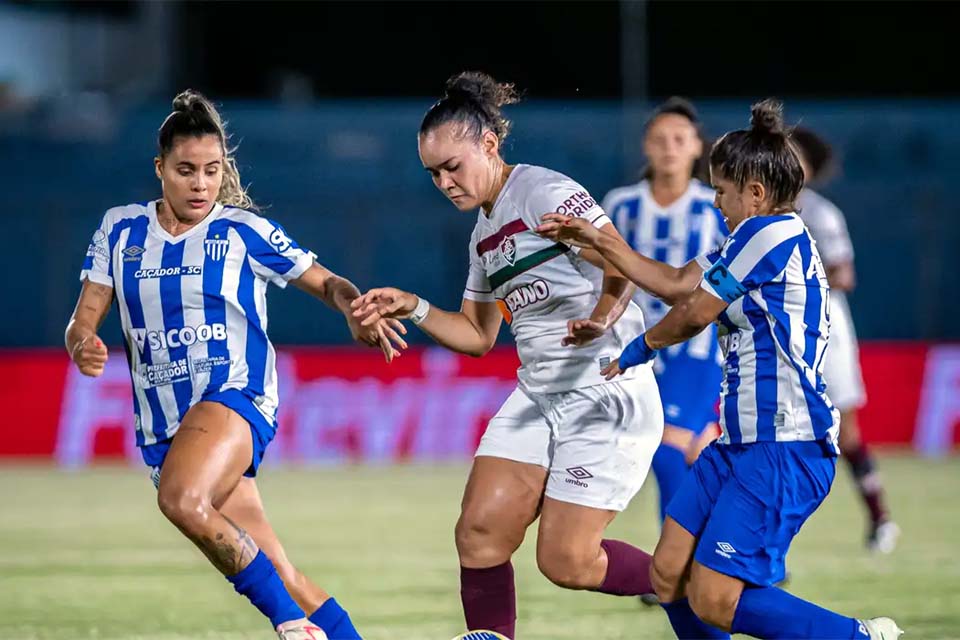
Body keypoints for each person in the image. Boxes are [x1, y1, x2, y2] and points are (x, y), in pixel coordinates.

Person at [537, 99, 901, 639]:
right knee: (667, 576)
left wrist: (637, 349)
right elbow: (677, 279)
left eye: (722, 191)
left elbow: (690, 315)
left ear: (754, 193)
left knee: (713, 598)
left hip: (786, 446)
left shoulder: (772, 234)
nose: (715, 201)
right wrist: (598, 240)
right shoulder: (748, 239)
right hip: (738, 445)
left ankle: (857, 636)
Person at [65, 90, 406, 639]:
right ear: (160, 169)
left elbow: (325, 281)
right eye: (185, 170)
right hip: (165, 426)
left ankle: (292, 628)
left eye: (211, 170)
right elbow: (82, 321)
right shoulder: (121, 230)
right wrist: (83, 344)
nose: (201, 184)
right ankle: (318, 622)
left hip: (235, 394)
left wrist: (353, 307)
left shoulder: (241, 230)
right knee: (282, 571)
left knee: (180, 499)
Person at [351, 72, 663, 638]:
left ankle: (691, 580)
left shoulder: (542, 192)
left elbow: (619, 260)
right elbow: (477, 334)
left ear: (489, 145)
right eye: (433, 174)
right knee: (479, 532)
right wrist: (413, 306)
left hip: (604, 388)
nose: (445, 182)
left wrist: (603, 319)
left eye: (453, 166)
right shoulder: (483, 233)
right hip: (539, 395)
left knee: (567, 561)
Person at [602, 97, 727, 526]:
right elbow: (606, 273)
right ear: (645, 147)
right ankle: (735, 555)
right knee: (697, 453)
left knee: (666, 448)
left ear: (697, 147)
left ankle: (672, 571)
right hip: (638, 348)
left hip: (697, 349)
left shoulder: (715, 207)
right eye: (659, 139)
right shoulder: (619, 205)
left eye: (679, 139)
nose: (669, 147)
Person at [792, 127, 899, 553]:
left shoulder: (820, 214)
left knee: (845, 432)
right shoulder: (754, 213)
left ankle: (880, 516)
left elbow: (844, 275)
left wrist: (795, 277)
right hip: (778, 329)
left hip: (826, 326)